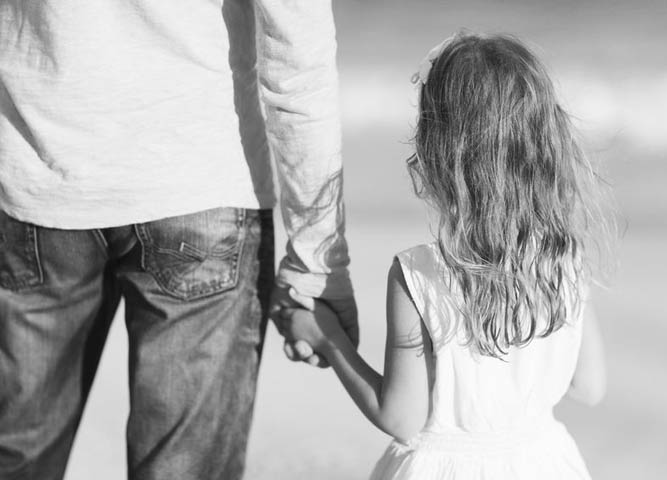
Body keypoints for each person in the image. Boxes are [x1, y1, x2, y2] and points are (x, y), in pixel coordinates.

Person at [0, 0, 356, 478]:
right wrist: (318, 259)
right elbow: (298, 62)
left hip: (34, 171)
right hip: (198, 182)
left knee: (14, 456)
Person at [282, 33, 612, 479]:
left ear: (438, 150)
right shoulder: (562, 259)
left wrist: (326, 337)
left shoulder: (418, 275)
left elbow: (401, 419)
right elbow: (590, 388)